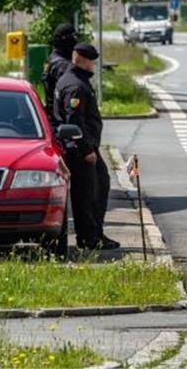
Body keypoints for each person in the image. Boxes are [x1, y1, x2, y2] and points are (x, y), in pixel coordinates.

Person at [54, 42, 119, 251]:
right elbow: (75, 123)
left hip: (83, 148)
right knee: (89, 194)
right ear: (82, 60)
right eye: (91, 61)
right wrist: (87, 150)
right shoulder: (76, 85)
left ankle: (92, 235)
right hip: (81, 151)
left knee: (96, 187)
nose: (93, 65)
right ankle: (90, 238)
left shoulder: (72, 80)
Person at [42, 23, 77, 130]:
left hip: (53, 116)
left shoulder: (51, 59)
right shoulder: (62, 65)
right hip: (61, 120)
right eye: (73, 37)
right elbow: (69, 95)